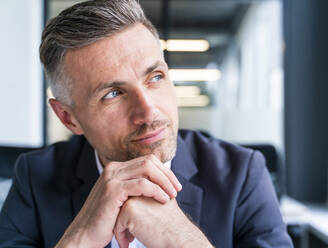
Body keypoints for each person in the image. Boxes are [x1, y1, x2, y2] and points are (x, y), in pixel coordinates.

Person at [0, 0, 293, 247]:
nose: (148, 111)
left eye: (155, 77)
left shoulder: (243, 174)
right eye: (113, 94)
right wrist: (79, 239)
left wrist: (180, 239)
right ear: (68, 118)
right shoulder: (34, 177)